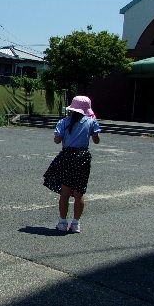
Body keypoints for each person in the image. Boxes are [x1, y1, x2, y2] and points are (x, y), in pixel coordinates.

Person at [43, 95, 101, 233]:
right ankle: (76, 224)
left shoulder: (64, 122)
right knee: (79, 193)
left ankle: (62, 223)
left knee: (65, 192)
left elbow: (57, 140)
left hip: (67, 156)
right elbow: (97, 140)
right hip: (83, 157)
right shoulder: (91, 122)